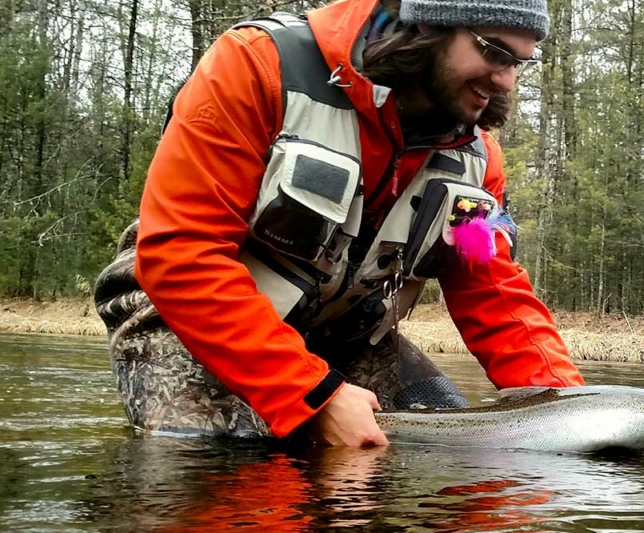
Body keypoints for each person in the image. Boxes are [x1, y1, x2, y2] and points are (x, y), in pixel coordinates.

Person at [94, 0, 585, 447]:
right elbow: (183, 252)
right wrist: (313, 395)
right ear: (427, 24)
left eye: (519, 62)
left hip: (342, 332)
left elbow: (491, 290)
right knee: (217, 456)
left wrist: (574, 412)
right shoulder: (255, 67)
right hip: (183, 312)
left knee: (444, 443)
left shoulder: (480, 160)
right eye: (494, 52)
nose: (507, 81)